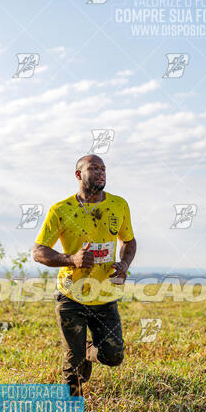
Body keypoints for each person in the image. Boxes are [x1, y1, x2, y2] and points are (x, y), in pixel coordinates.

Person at [33, 154, 136, 396]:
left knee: (114, 356)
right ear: (79, 175)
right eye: (94, 168)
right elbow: (39, 252)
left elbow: (129, 241)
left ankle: (88, 350)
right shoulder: (61, 210)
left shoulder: (119, 205)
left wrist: (124, 263)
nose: (101, 172)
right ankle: (73, 408)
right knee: (73, 364)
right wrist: (71, 260)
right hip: (71, 295)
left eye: (103, 168)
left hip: (105, 295)